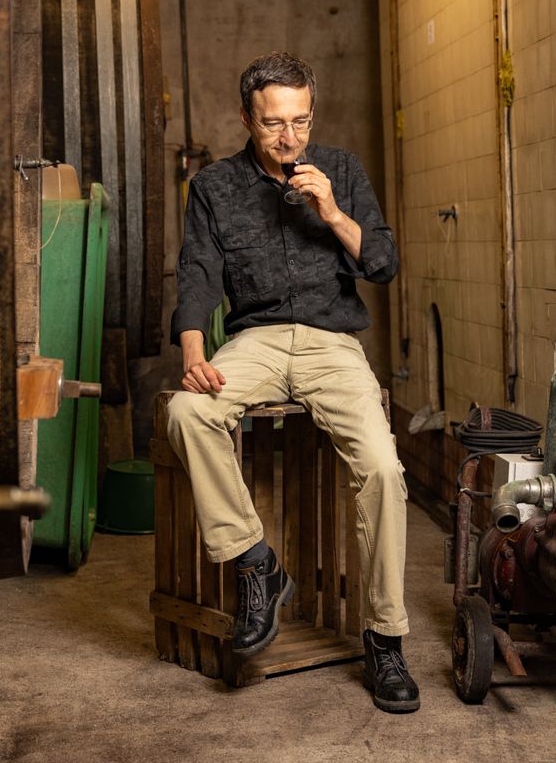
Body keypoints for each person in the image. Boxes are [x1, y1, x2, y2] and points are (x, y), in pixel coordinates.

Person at [166, 51, 418, 713]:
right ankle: (256, 562)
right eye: (274, 123)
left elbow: (384, 264)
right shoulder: (215, 188)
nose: (289, 138)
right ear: (247, 117)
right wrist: (194, 349)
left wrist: (332, 211)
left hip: (332, 343)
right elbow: (196, 271)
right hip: (256, 339)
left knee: (385, 472)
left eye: (300, 122)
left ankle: (386, 640)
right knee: (189, 412)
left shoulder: (340, 171)